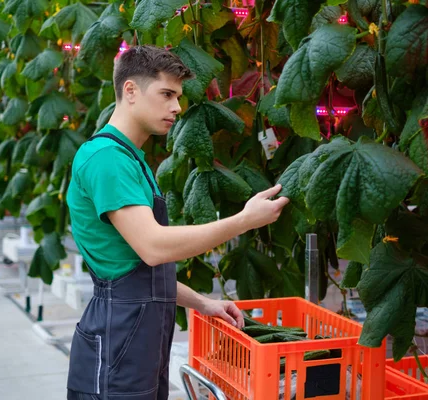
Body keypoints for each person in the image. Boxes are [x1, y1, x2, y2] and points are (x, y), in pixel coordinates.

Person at [65, 44, 290, 400]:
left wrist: (204, 303)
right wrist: (244, 221)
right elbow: (153, 248)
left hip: (136, 338)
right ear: (131, 91)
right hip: (117, 345)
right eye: (166, 94)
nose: (177, 107)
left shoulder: (130, 158)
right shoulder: (108, 159)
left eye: (178, 96)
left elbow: (138, 274)